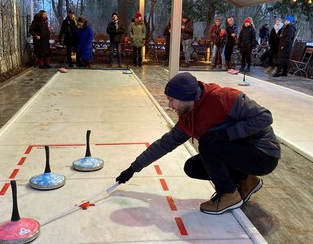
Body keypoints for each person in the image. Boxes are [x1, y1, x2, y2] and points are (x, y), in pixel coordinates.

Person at [116, 72, 280, 215]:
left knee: (209, 144)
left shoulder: (223, 97)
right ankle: (247, 180)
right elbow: (164, 145)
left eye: (172, 100)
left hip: (263, 153)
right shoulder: (188, 119)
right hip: (242, 153)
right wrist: (133, 168)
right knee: (193, 167)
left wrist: (225, 134)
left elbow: (265, 117)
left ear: (186, 98)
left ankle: (229, 194)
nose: (169, 105)